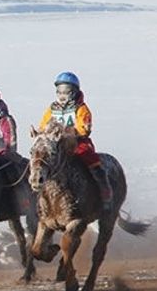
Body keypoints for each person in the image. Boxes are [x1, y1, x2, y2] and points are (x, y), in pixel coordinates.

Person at [39, 72, 113, 210]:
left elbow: (84, 128)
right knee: (41, 159)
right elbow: (43, 125)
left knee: (89, 157)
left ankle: (104, 190)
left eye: (65, 91)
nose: (62, 95)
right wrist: (44, 133)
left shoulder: (81, 108)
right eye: (59, 91)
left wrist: (68, 132)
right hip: (56, 144)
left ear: (73, 92)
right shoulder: (52, 109)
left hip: (76, 142)